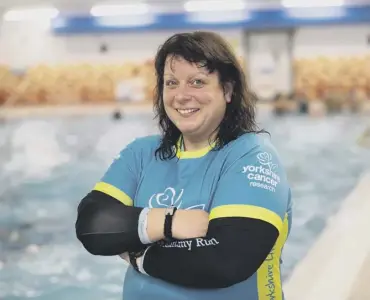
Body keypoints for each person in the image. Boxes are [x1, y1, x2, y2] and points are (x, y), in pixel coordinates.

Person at [75, 31, 293, 300]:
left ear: (227, 90)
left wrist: (139, 252)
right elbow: (93, 226)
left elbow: (226, 260)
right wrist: (168, 222)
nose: (181, 95)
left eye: (197, 82)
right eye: (171, 83)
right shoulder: (142, 153)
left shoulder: (252, 156)